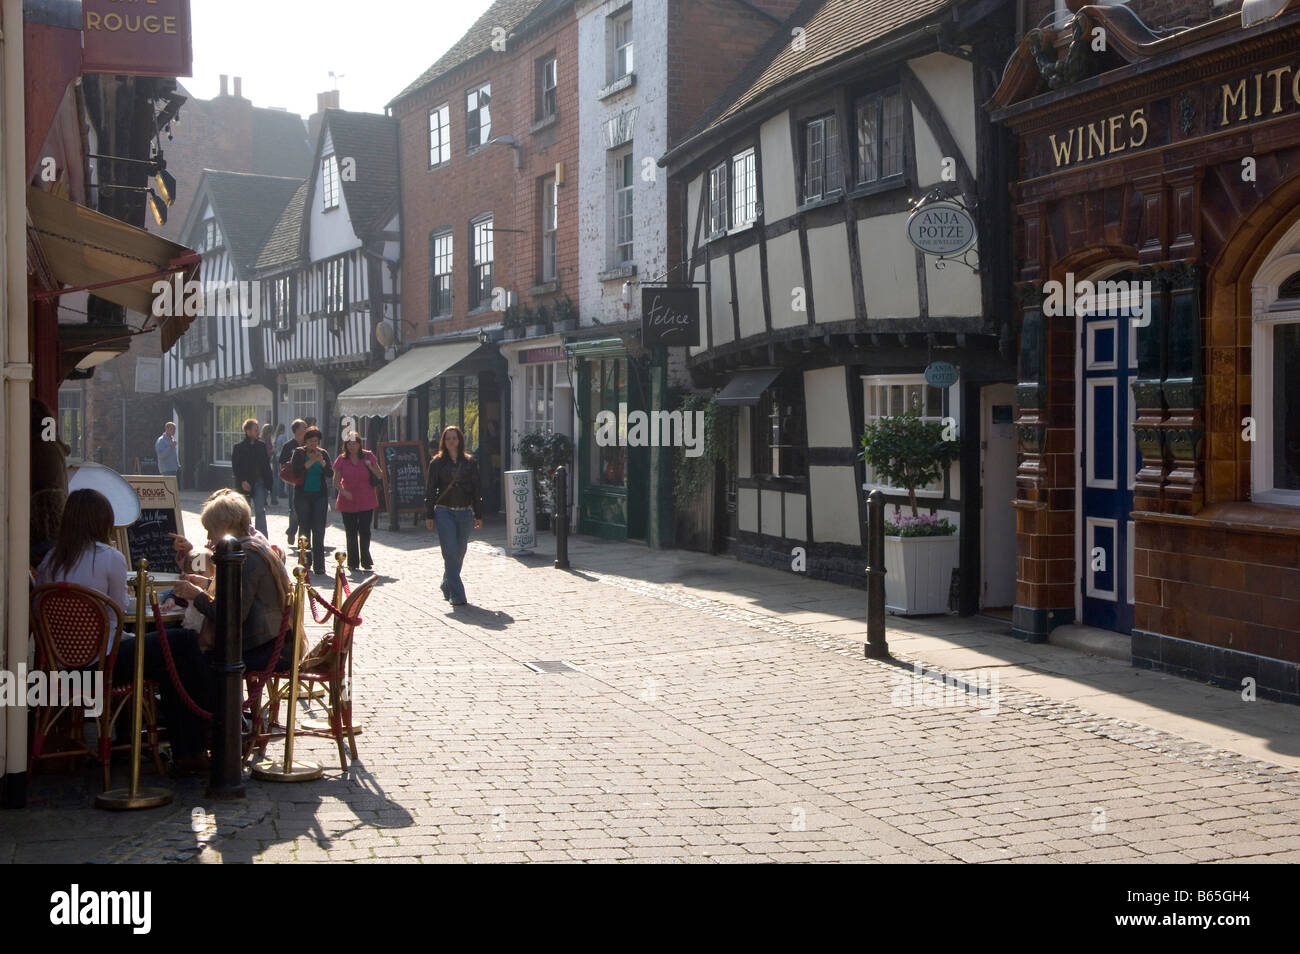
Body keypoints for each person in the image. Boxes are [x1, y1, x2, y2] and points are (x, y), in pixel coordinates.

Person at [35, 489, 209, 768]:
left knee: (165, 657)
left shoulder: (50, 561)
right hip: (104, 665)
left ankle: (133, 739)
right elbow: (120, 608)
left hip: (64, 667)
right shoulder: (109, 557)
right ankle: (192, 746)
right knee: (184, 643)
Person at [172, 492, 293, 683]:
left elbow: (231, 616)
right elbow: (242, 596)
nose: (209, 536)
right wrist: (209, 584)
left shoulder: (245, 556)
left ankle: (201, 709)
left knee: (180, 647)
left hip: (263, 646)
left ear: (225, 526)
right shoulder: (254, 546)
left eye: (211, 529)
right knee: (182, 644)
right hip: (269, 640)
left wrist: (197, 595)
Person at [424, 425, 482, 606]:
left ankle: (446, 582)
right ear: (444, 441)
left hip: (464, 511)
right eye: (448, 438)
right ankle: (458, 594)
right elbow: (430, 490)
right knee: (450, 551)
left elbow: (476, 489)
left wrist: (478, 514)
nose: (451, 441)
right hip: (444, 511)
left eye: (454, 438)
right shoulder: (437, 463)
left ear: (460, 440)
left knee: (460, 552)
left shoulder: (470, 462)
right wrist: (429, 515)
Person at [332, 431, 382, 572]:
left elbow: (380, 474)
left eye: (355, 443)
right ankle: (353, 562)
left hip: (366, 499)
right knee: (351, 532)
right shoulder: (342, 459)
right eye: (349, 444)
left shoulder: (368, 456)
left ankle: (366, 560)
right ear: (345, 445)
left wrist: (369, 465)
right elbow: (336, 481)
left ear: (360, 444)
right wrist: (343, 491)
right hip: (348, 500)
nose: (352, 446)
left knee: (365, 531)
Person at [290, 426, 333, 576]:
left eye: (316, 441)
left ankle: (320, 566)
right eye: (311, 441)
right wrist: (310, 461)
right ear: (305, 441)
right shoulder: (299, 453)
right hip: (303, 495)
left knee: (319, 529)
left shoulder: (324, 453)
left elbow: (330, 473)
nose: (314, 444)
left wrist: (321, 462)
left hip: (319, 495)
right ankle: (305, 563)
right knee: (305, 527)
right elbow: (296, 472)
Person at [230, 418, 272, 537]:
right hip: (244, 483)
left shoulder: (261, 446)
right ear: (247, 431)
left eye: (258, 429)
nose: (257, 432)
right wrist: (242, 481)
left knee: (260, 510)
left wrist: (269, 483)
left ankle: (262, 538)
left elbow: (266, 465)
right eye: (255, 430)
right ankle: (245, 536)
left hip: (259, 482)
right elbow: (236, 467)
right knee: (244, 512)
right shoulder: (239, 447)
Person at [279, 419, 307, 545]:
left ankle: (303, 539)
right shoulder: (289, 446)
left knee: (305, 510)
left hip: (308, 481)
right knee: (295, 509)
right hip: (294, 482)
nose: (306, 429)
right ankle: (291, 531)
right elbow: (282, 465)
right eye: (304, 427)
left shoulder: (309, 445)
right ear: (296, 430)